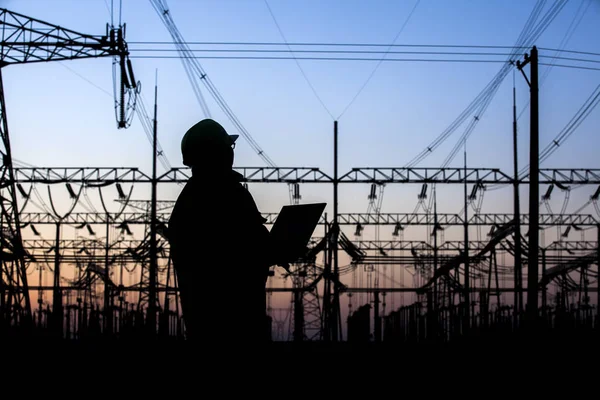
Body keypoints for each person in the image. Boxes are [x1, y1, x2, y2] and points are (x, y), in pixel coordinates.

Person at [168, 118, 273, 347]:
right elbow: (244, 248)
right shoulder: (226, 194)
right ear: (216, 153)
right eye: (228, 147)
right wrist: (277, 247)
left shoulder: (192, 198)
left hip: (207, 323)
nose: (231, 153)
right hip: (235, 321)